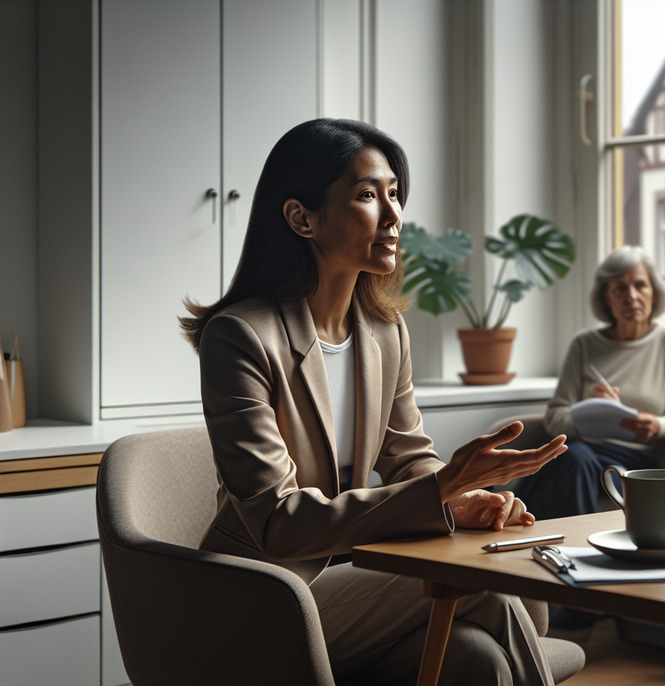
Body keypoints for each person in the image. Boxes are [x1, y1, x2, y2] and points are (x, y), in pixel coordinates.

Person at [179, 118, 567, 686]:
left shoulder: (385, 333)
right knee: (488, 589)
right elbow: (280, 524)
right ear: (302, 218)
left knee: (478, 659)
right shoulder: (239, 337)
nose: (393, 216)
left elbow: (410, 459)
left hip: (356, 575)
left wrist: (461, 498)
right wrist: (442, 488)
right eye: (367, 195)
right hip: (264, 593)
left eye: (395, 194)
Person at [513, 246, 665, 520]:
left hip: (633, 460)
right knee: (573, 458)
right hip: (580, 450)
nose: (631, 296)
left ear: (654, 293)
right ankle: (566, 537)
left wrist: (658, 425)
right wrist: (586, 410)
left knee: (568, 463)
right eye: (620, 288)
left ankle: (547, 532)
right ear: (607, 297)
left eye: (640, 285)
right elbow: (555, 418)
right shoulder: (584, 344)